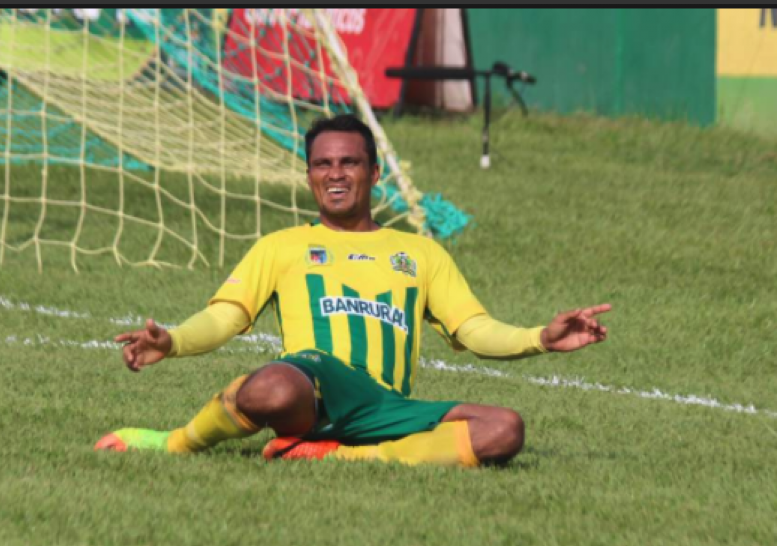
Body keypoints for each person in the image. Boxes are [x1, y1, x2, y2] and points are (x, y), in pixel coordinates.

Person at [95, 114, 610, 468]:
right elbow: (226, 317)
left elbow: (476, 330)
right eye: (323, 164)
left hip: (381, 407)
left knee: (504, 429)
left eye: (349, 163)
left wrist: (541, 336)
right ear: (309, 175)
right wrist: (175, 341)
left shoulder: (421, 253)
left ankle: (337, 456)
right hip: (312, 391)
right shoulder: (283, 246)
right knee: (271, 385)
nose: (335, 174)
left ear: (374, 172)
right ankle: (175, 444)